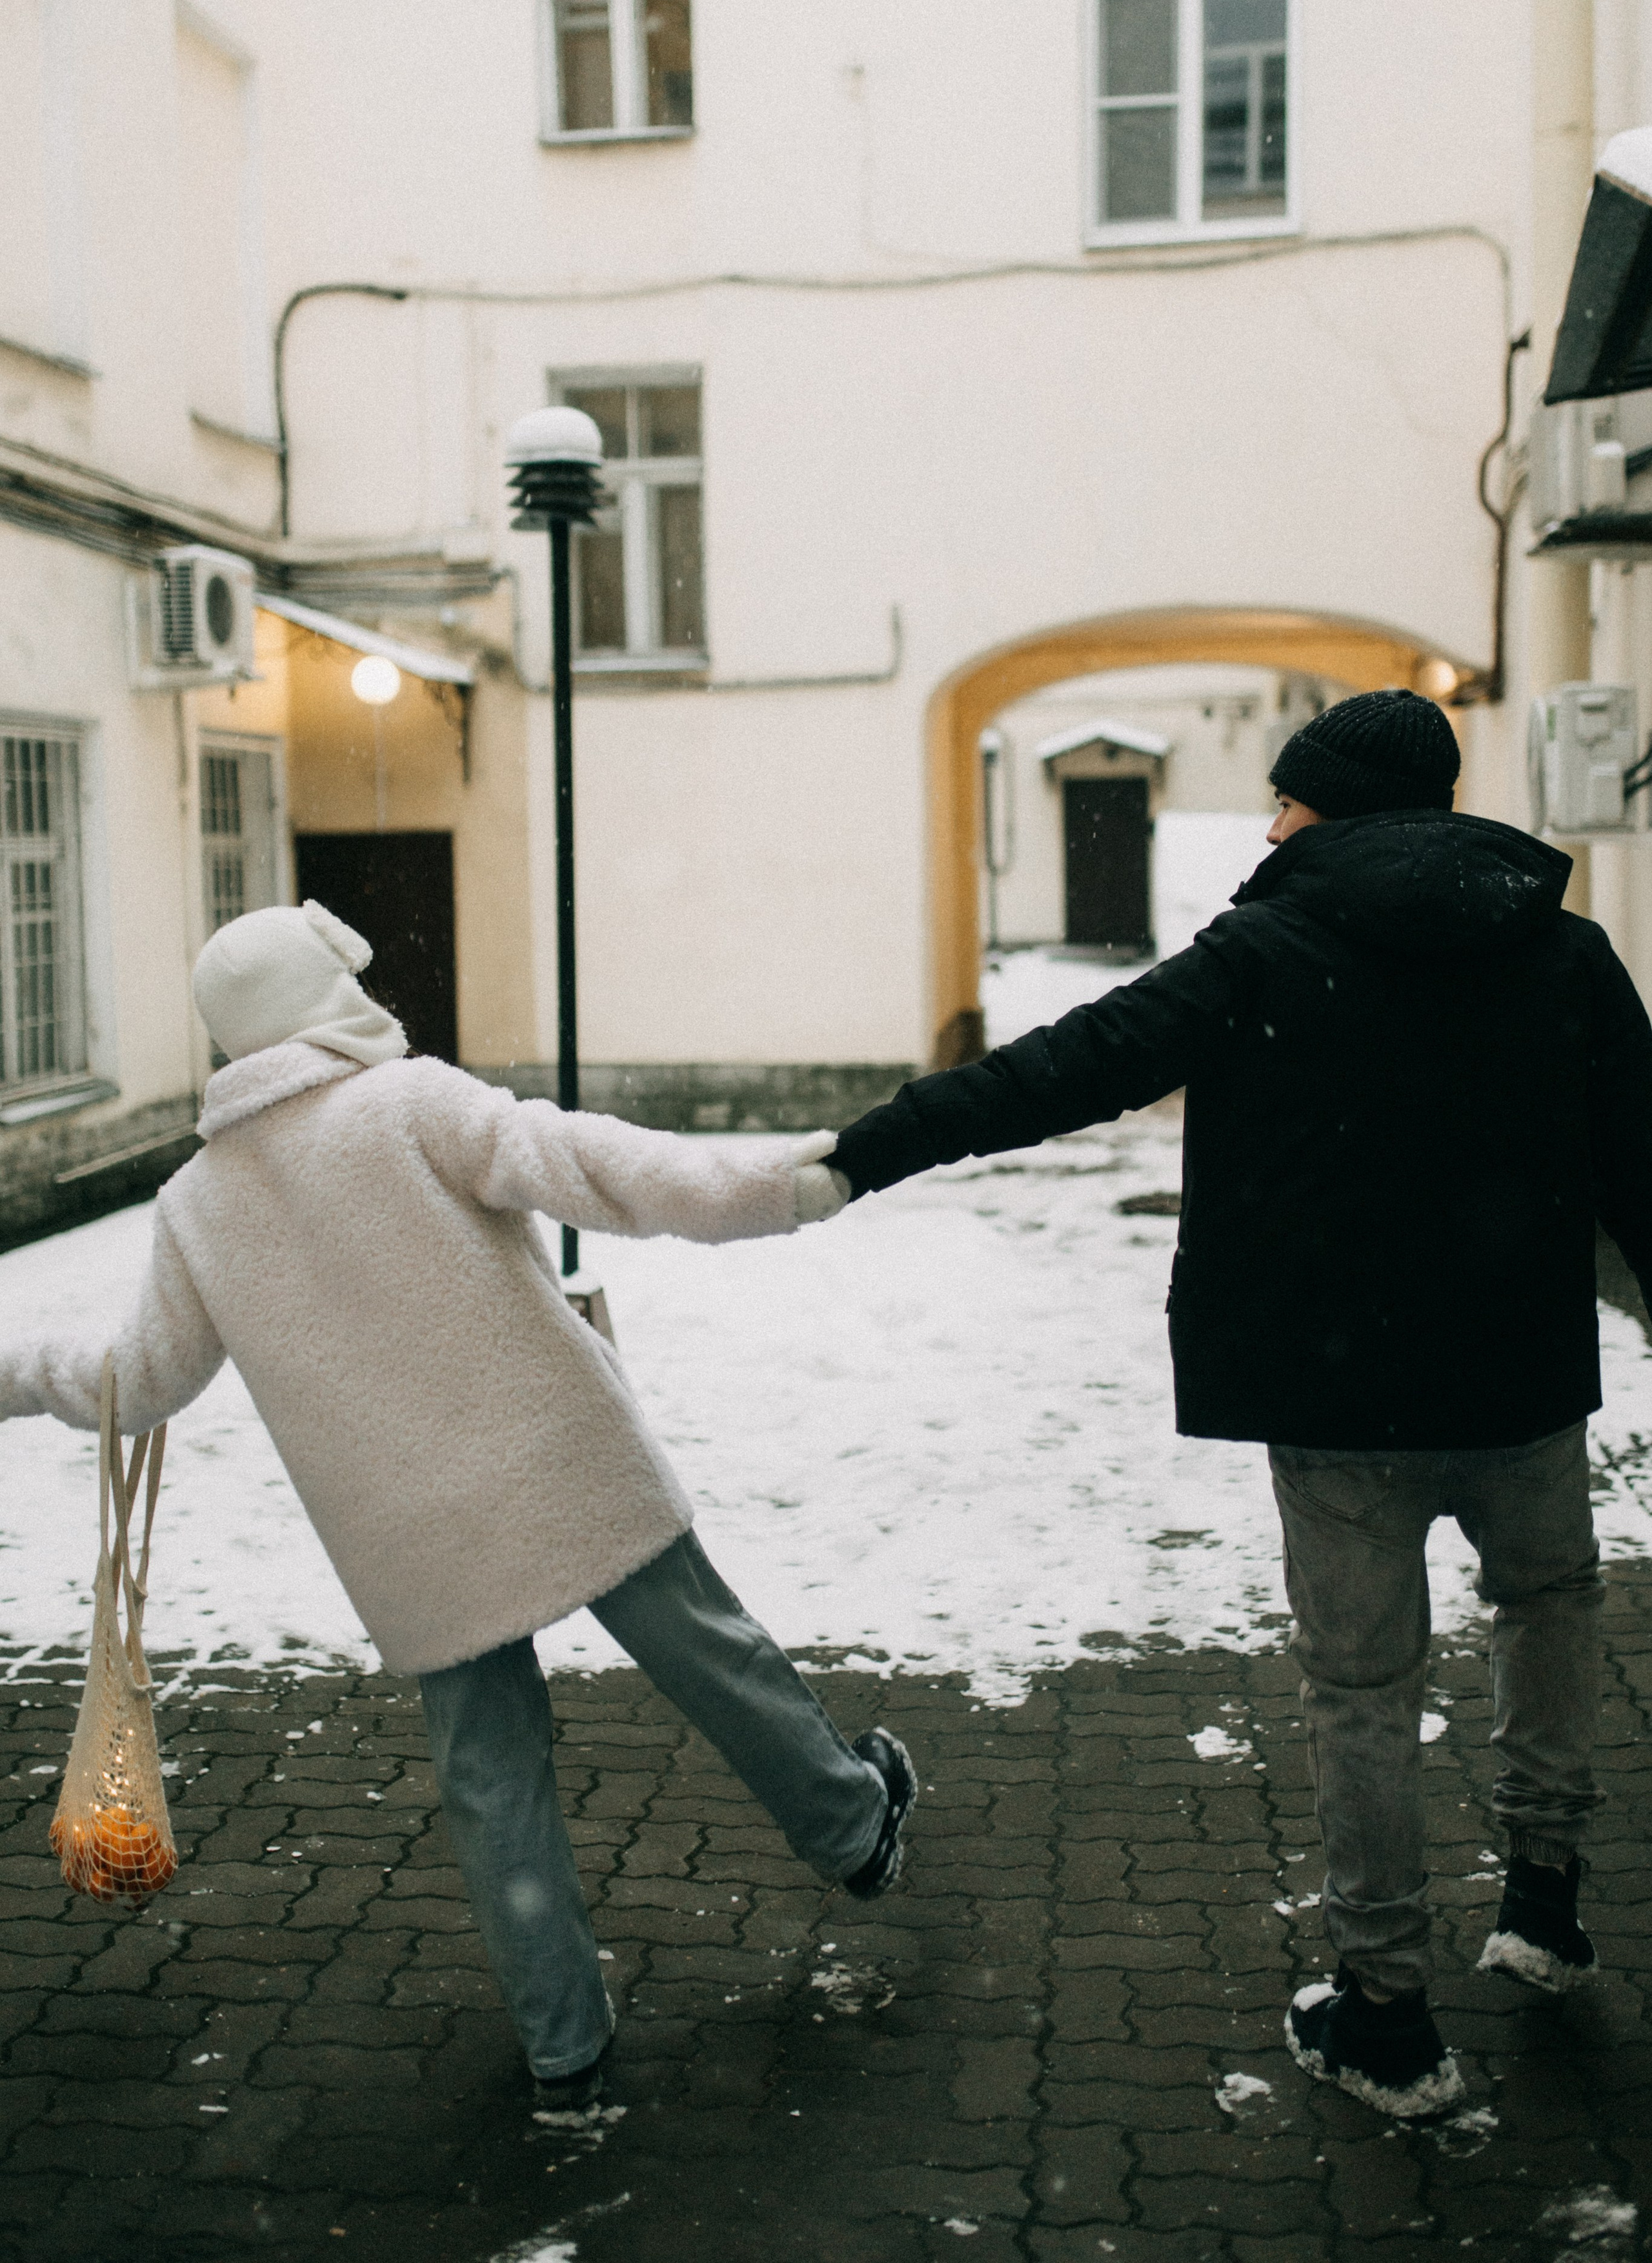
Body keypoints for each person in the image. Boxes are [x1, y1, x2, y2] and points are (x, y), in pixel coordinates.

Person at [818, 687, 1652, 2117]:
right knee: (1548, 1615)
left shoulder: (1267, 948)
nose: (1268, 821)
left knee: (1362, 1696)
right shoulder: (1559, 947)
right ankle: (1543, 1902)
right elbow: (1642, 1158)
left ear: (1327, 806)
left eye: (1284, 797)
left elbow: (1068, 1067)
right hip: (1516, 1380)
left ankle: (1385, 2016)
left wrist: (867, 1150)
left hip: (1339, 1398)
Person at [0, 900, 915, 2111]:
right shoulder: (409, 1104)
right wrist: (784, 1184)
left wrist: (11, 1371)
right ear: (317, 1003)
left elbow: (142, 1378)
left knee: (492, 1780)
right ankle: (853, 1827)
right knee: (711, 1654)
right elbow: (598, 1165)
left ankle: (566, 2052)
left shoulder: (199, 1204)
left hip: (409, 1533)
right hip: (558, 1458)